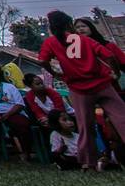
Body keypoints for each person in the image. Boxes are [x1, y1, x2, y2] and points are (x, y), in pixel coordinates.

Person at [39, 10, 125, 170]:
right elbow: (109, 56)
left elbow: (43, 60)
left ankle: (88, 162)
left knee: (85, 126)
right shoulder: (82, 40)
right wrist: (115, 72)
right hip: (102, 84)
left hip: (79, 89)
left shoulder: (51, 43)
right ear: (69, 24)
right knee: (122, 118)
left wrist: (55, 73)